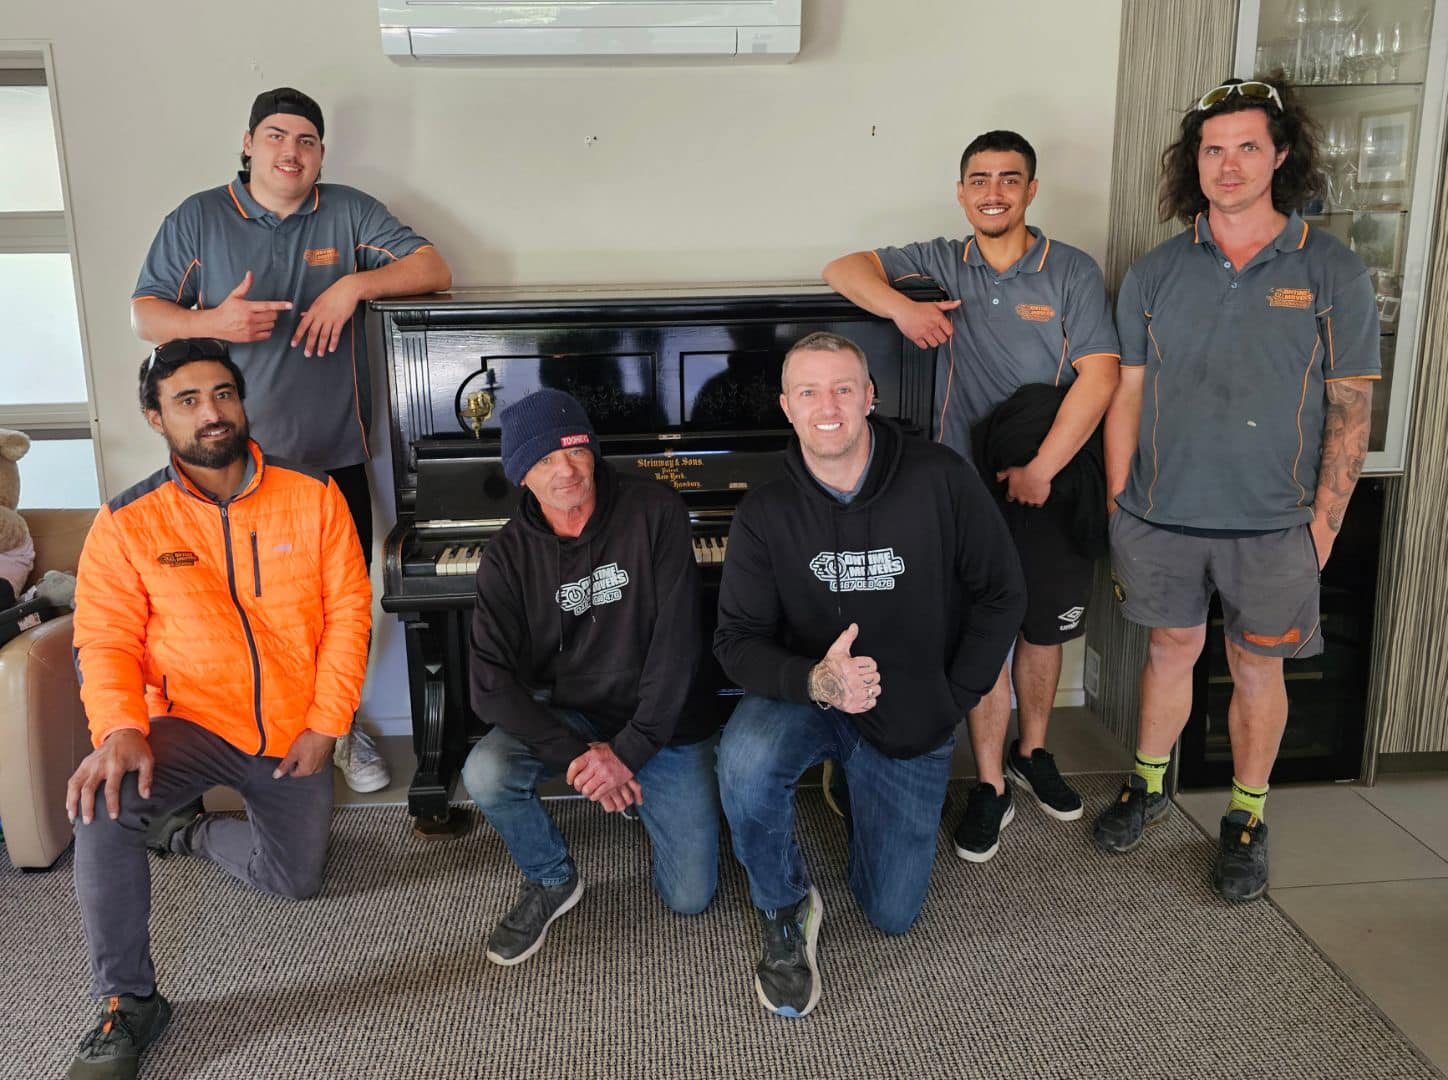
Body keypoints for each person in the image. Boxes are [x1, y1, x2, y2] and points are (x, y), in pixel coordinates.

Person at [1095, 77, 1379, 903]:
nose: (1228, 165)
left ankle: (1247, 817)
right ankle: (1149, 785)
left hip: (1274, 525)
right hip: (1160, 515)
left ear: (1280, 156)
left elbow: (1350, 401)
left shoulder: (1331, 269)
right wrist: (1119, 499)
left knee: (1256, 670)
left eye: (1247, 146)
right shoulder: (1155, 271)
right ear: (1196, 162)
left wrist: (1324, 523)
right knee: (1169, 651)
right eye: (1213, 150)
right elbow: (1129, 391)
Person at [64, 339, 371, 1079]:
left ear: (242, 400)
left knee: (295, 880)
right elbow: (103, 639)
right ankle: (129, 1000)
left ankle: (193, 834)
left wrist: (327, 725)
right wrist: (120, 731)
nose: (212, 413)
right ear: (154, 416)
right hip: (193, 722)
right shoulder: (127, 521)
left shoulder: (315, 494)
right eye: (189, 400)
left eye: (223, 394)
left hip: (295, 731)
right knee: (101, 803)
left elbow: (349, 614)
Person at [130, 87, 452, 792]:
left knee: (343, 605)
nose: (290, 152)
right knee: (233, 606)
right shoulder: (198, 217)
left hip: (334, 451)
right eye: (276, 136)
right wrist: (210, 321)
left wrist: (353, 287)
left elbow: (432, 270)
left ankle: (338, 728)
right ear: (248, 144)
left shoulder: (346, 209)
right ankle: (235, 740)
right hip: (225, 464)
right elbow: (145, 314)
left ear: (320, 155)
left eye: (305, 141)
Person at [823, 130, 1120, 859]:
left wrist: (1044, 467)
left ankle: (1034, 750)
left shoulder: (1072, 271)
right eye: (979, 180)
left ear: (1031, 191)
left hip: (1048, 479)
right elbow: (841, 268)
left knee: (1043, 631)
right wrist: (899, 307)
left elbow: (1103, 376)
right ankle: (989, 783)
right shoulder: (937, 260)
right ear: (961, 192)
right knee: (981, 638)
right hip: (959, 490)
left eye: (1009, 179)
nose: (993, 191)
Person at [713, 332, 1026, 1017]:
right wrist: (816, 681)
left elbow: (1003, 591)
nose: (828, 407)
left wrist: (953, 697)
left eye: (843, 389)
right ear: (787, 408)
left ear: (870, 397)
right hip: (809, 692)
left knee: (891, 914)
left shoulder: (941, 477)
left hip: (913, 702)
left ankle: (861, 792)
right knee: (742, 762)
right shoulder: (765, 508)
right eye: (808, 393)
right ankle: (786, 906)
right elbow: (735, 642)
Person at [462, 389, 720, 966]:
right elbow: (488, 683)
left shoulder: (655, 512)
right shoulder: (507, 555)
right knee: (485, 770)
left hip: (666, 721)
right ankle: (552, 877)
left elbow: (677, 649)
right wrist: (588, 756)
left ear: (593, 452)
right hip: (577, 714)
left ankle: (639, 790)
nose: (567, 471)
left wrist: (628, 751)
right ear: (520, 475)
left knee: (690, 897)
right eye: (546, 460)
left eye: (576, 451)